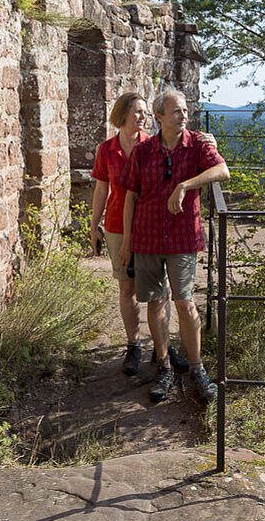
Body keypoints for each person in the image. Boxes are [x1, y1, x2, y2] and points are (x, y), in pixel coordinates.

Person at [119, 86, 230, 403]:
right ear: (159, 117)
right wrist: (127, 242)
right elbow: (130, 197)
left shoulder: (198, 145)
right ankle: (165, 366)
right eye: (177, 111)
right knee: (155, 302)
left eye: (185, 110)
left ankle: (197, 369)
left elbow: (223, 171)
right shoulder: (143, 152)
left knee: (185, 302)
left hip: (183, 237)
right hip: (147, 237)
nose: (185, 115)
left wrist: (185, 185)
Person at [90, 91, 189, 377]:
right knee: (126, 288)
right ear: (122, 115)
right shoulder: (106, 149)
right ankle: (133, 346)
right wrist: (94, 225)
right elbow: (100, 190)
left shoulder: (153, 145)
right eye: (137, 112)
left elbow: (186, 141)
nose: (142, 117)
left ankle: (164, 348)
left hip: (151, 225)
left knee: (162, 291)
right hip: (118, 227)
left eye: (145, 112)